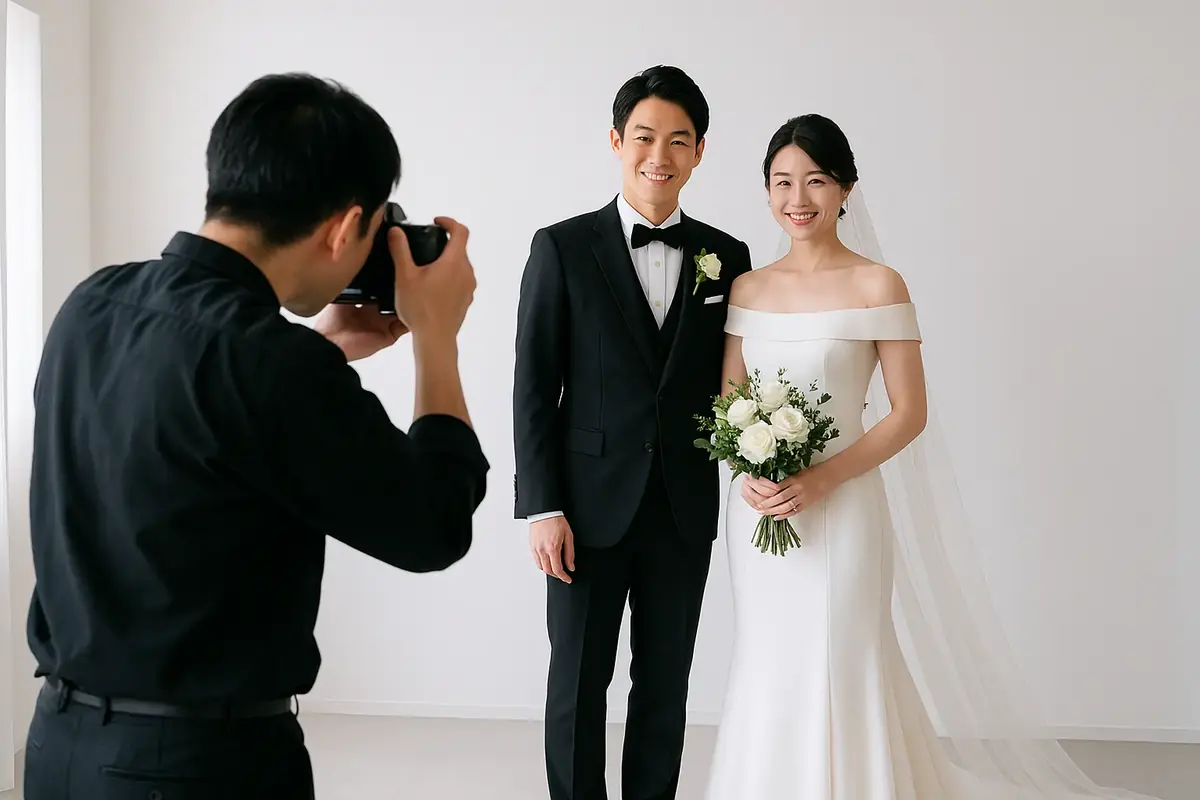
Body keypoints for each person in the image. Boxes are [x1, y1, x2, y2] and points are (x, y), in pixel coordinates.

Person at [22, 73, 487, 799]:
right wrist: (436, 338)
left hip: (57, 747)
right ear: (343, 227)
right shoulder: (274, 363)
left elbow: (188, 435)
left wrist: (325, 351)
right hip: (197, 768)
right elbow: (433, 525)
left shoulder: (93, 302)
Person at [704, 114, 1162, 799]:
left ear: (846, 189)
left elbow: (909, 412)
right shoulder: (748, 288)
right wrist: (752, 478)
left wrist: (823, 477)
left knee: (842, 651)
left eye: (816, 181)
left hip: (844, 505)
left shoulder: (878, 283)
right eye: (782, 182)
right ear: (766, 190)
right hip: (761, 514)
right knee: (770, 656)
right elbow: (730, 401)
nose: (797, 198)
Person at [512, 65, 752, 800]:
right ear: (616, 141)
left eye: (679, 140)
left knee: (665, 685)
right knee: (578, 682)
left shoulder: (728, 257)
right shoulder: (561, 247)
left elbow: (734, 384)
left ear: (700, 152)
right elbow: (532, 385)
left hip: (681, 508)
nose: (660, 154)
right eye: (645, 136)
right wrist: (542, 507)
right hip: (584, 509)